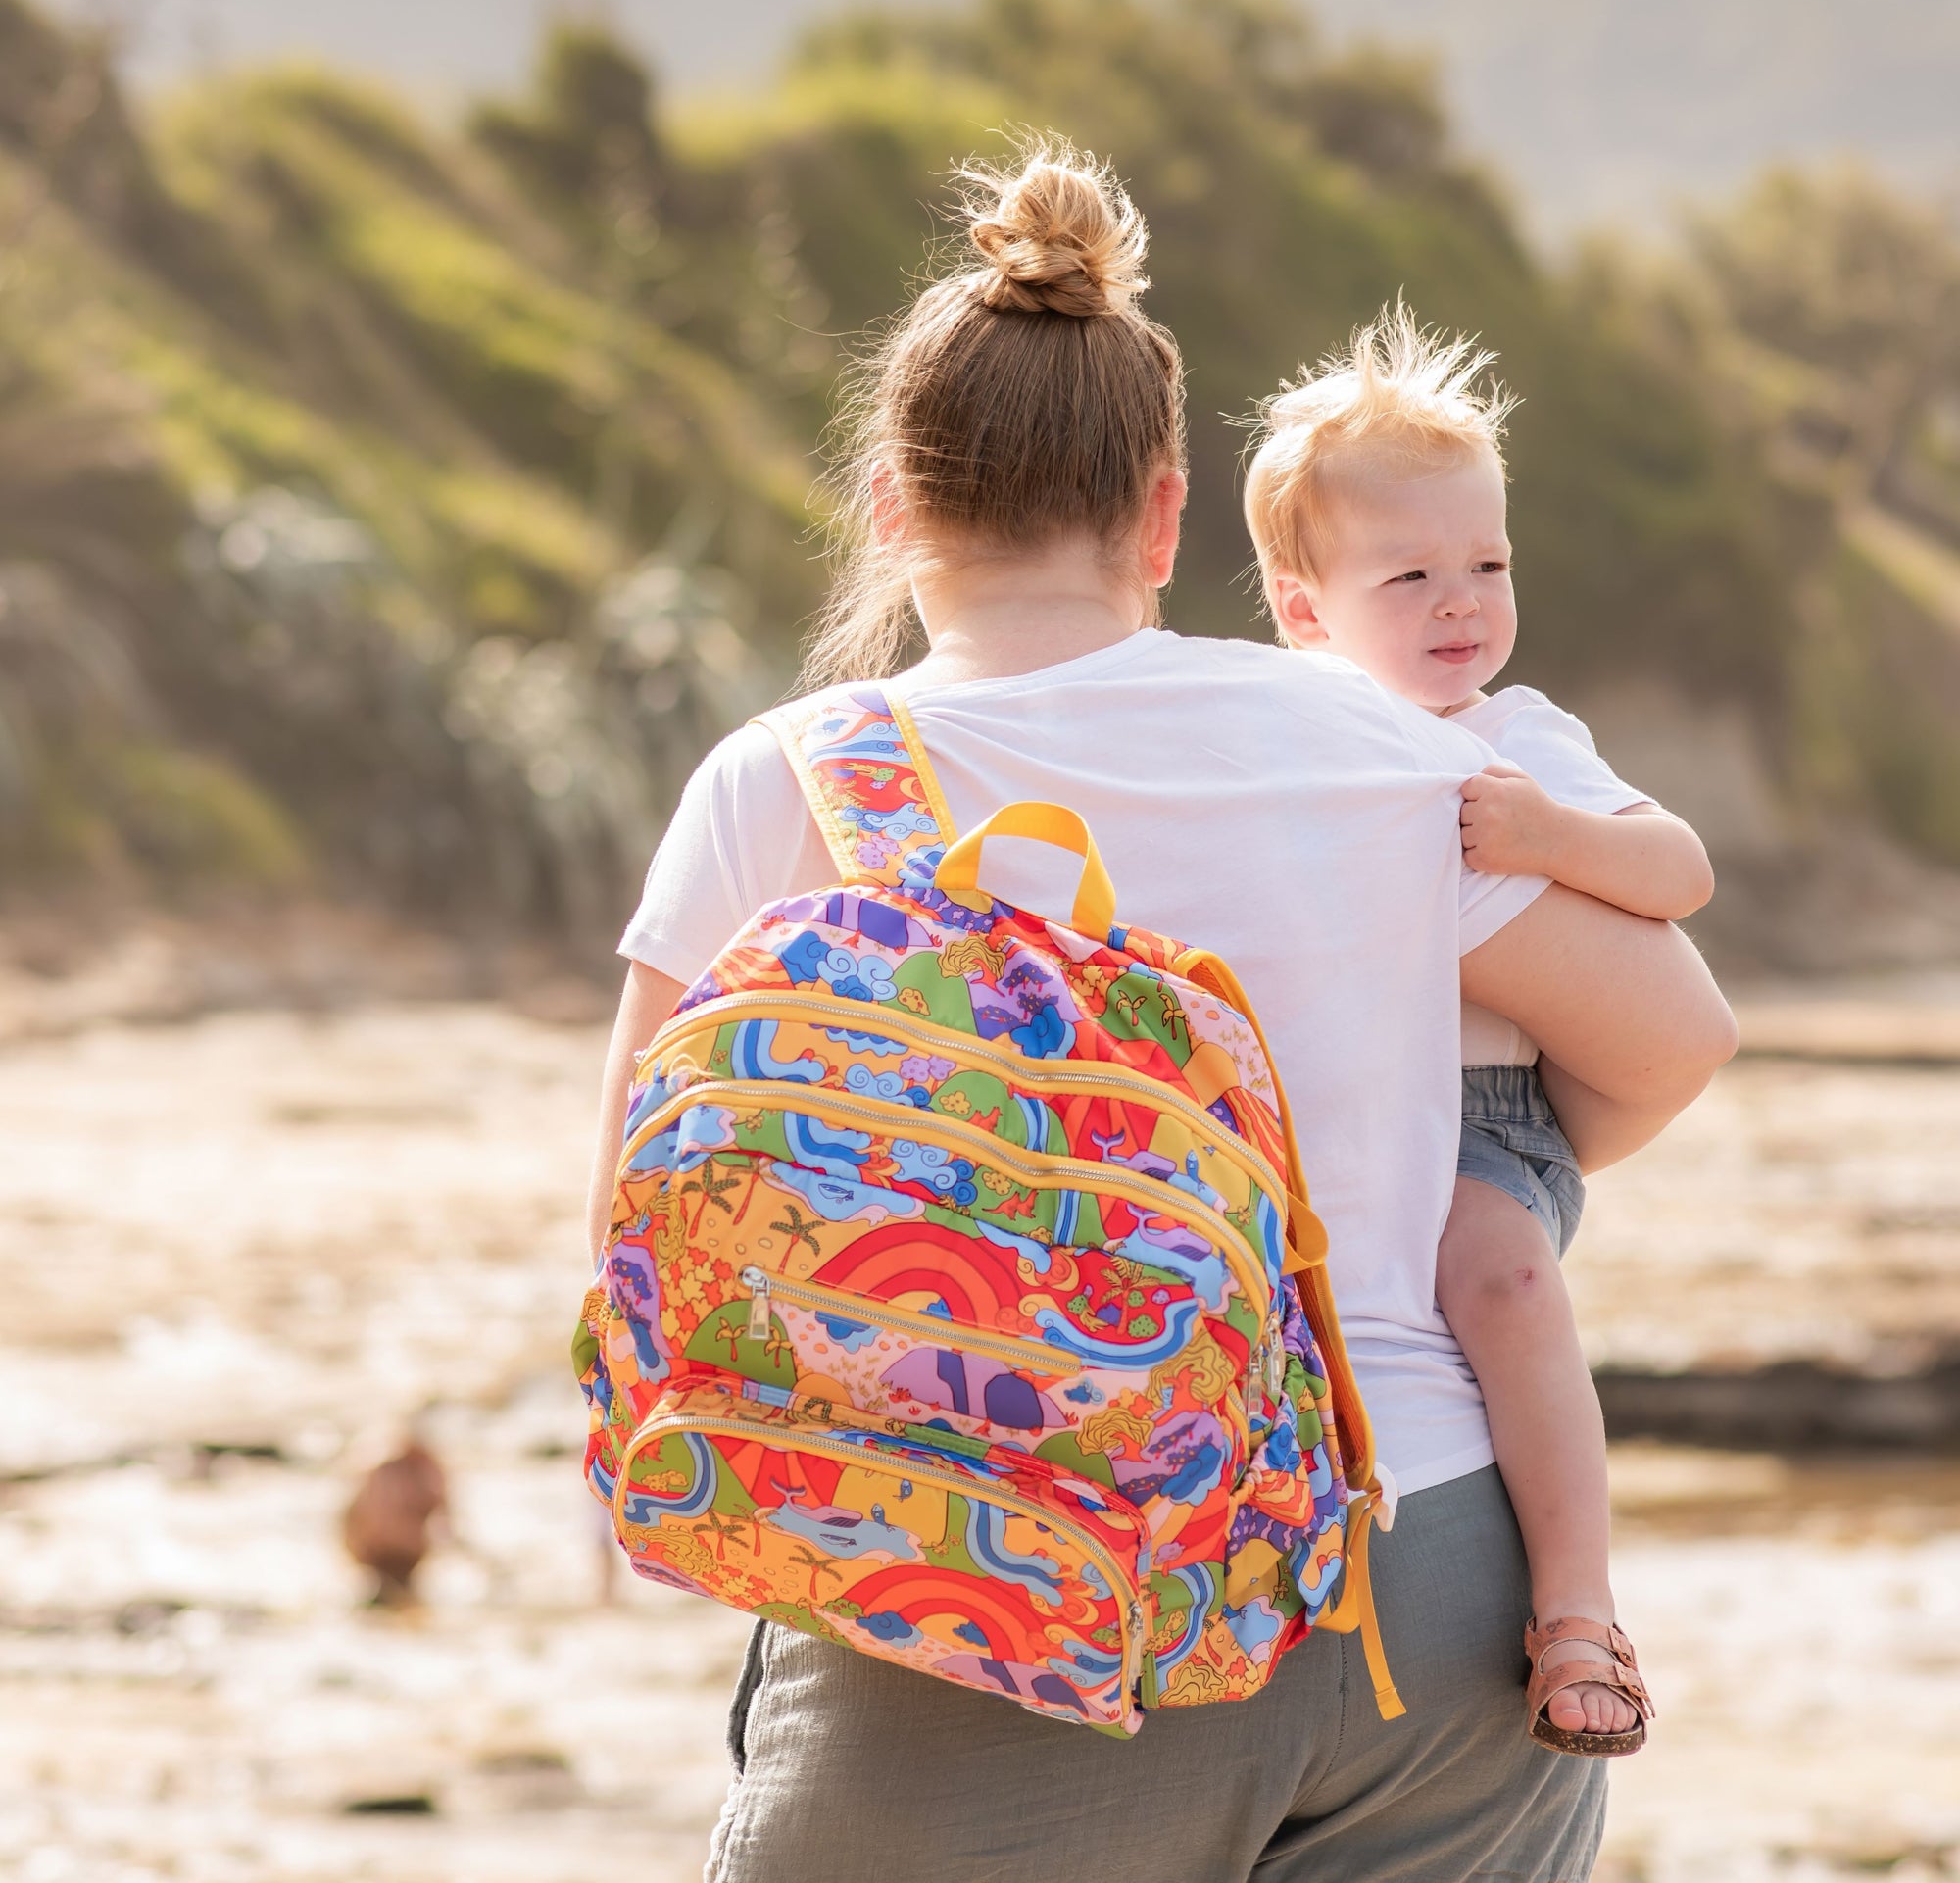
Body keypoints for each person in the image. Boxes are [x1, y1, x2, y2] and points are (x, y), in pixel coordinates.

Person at [585, 144, 1737, 1883]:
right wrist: (1477, 1181)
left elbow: (634, 1215)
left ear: (892, 499)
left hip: (974, 1582)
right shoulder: (1376, 749)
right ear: (1167, 513)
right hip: (1414, 1584)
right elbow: (1672, 1041)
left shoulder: (796, 782)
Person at [1243, 304, 1713, 1756]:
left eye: (1490, 565)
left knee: (1502, 1288)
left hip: (1490, 1121)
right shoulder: (1283, 735)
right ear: (1306, 610)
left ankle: (1576, 1610)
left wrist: (1549, 833)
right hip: (1322, 1121)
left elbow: (1680, 874)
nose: (1464, 603)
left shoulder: (1518, 737)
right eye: (1415, 575)